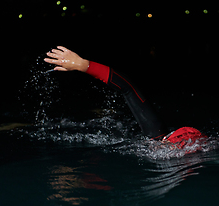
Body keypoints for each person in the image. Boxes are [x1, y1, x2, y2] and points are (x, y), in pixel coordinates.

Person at [44, 46, 206, 151]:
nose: (165, 146)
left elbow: (129, 89)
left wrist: (84, 65)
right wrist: (83, 65)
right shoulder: (157, 139)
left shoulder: (157, 141)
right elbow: (129, 88)